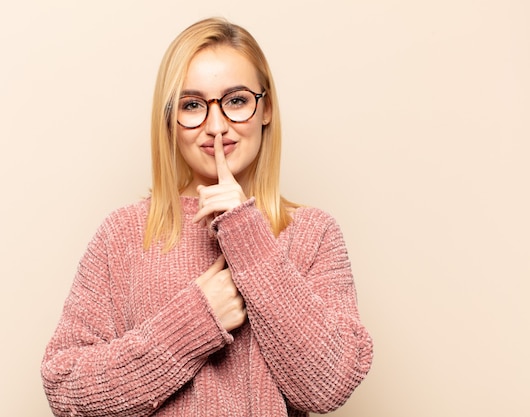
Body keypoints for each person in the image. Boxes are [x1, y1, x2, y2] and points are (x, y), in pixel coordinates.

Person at [41, 17, 373, 417]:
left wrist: (248, 235)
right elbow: (65, 390)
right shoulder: (125, 234)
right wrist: (195, 322)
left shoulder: (313, 234)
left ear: (265, 108)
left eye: (236, 100)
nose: (216, 127)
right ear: (170, 121)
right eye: (193, 105)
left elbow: (328, 386)